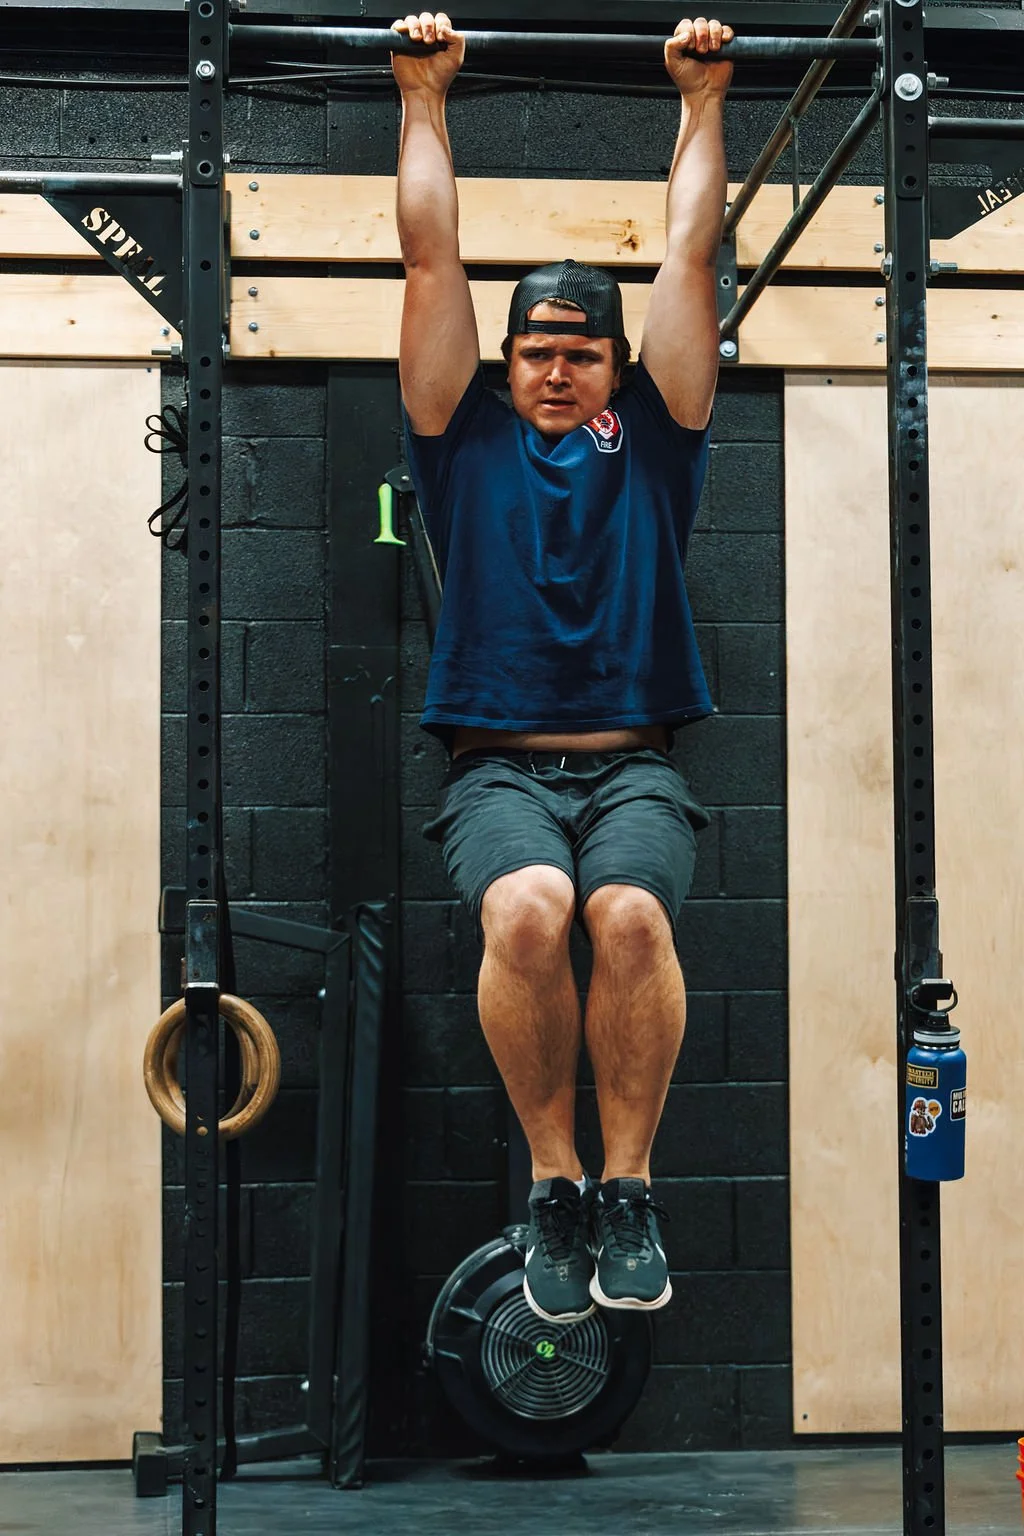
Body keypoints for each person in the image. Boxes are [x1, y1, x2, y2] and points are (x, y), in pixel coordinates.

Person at [392, 13, 733, 1321]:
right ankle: (556, 1185)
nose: (550, 366)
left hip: (634, 768)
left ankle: (628, 1189)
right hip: (499, 778)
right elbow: (431, 254)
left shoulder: (656, 435)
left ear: (611, 361)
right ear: (508, 351)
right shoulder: (454, 432)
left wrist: (699, 106)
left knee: (629, 918)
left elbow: (692, 249)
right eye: (531, 346)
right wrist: (425, 97)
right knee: (531, 913)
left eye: (577, 349)